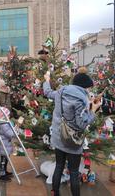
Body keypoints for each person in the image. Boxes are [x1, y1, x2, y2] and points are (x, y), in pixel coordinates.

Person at [43, 68, 102, 196]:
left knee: (59, 166)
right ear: (84, 87)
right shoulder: (81, 99)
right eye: (89, 88)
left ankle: (55, 193)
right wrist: (93, 111)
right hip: (72, 140)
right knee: (74, 172)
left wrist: (46, 80)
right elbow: (81, 124)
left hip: (59, 136)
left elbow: (47, 92)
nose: (89, 91)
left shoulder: (61, 92)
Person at [0, 107, 15, 182]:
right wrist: (15, 130)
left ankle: (5, 171)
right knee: (3, 160)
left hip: (5, 144)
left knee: (6, 159)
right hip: (4, 145)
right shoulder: (3, 124)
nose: (9, 117)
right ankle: (2, 174)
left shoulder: (3, 123)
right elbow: (9, 134)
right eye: (8, 115)